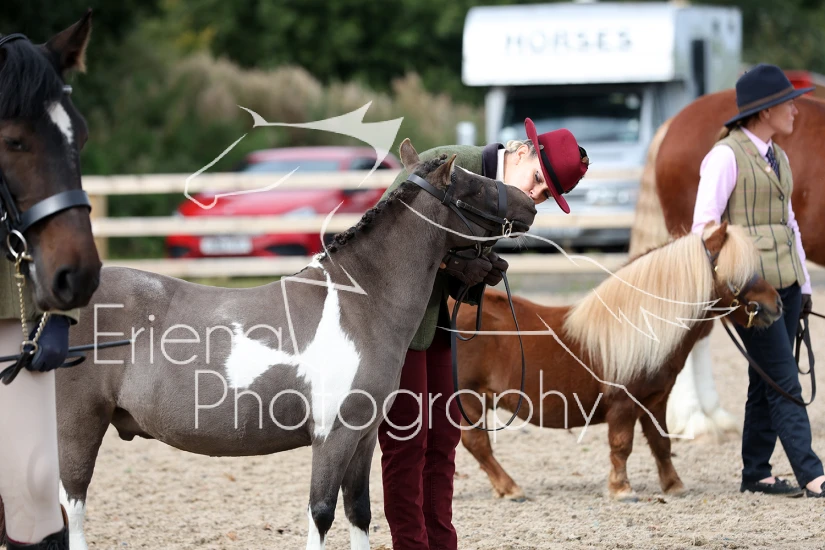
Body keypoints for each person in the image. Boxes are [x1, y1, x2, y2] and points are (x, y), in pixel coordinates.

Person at [377, 118, 590, 549]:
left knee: (444, 436)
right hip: (390, 321)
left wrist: (472, 275)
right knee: (407, 440)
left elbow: (451, 268)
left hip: (435, 320)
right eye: (537, 180)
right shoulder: (451, 164)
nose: (535, 195)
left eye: (546, 195)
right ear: (522, 152)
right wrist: (450, 263)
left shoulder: (503, 199)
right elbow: (381, 237)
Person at [691, 63, 825, 498]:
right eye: (788, 104)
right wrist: (732, 280)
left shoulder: (777, 156)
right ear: (765, 111)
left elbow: (789, 224)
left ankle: (756, 472)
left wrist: (805, 286)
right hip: (752, 291)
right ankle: (812, 474)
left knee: (763, 380)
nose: (796, 110)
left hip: (787, 283)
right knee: (784, 380)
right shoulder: (725, 156)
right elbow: (704, 227)